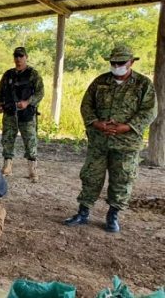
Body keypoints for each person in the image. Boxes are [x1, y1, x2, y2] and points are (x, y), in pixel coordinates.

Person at [64, 45, 157, 233]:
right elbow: (86, 106)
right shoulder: (100, 82)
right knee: (91, 175)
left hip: (126, 143)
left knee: (122, 178)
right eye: (113, 63)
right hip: (99, 140)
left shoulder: (143, 84)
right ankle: (83, 212)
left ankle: (113, 215)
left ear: (131, 62)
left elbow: (149, 111)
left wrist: (127, 127)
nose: (116, 66)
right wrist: (96, 123)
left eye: (121, 63)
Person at [0, 47, 44, 182]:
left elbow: (40, 93)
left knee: (30, 140)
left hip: (27, 114)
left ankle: (32, 169)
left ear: (26, 57)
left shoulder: (33, 74)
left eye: (21, 56)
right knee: (7, 139)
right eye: (16, 56)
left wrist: (28, 102)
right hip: (10, 112)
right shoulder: (8, 74)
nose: (18, 59)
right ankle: (7, 166)